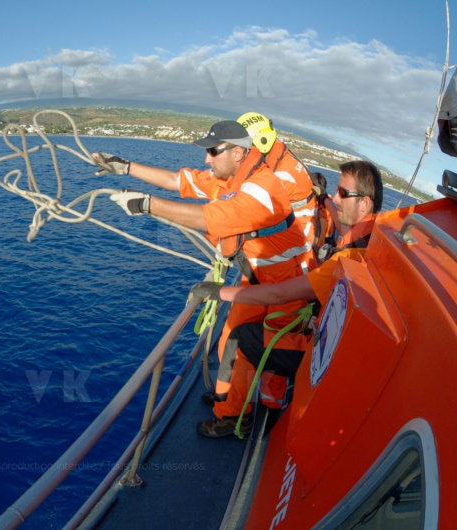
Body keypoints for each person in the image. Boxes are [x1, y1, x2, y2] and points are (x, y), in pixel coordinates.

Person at [93, 120, 315, 437]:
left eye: (212, 151)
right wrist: (125, 166)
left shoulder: (261, 190)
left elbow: (205, 217)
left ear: (238, 152)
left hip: (288, 287)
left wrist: (146, 205)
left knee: (262, 347)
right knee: (230, 340)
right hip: (257, 278)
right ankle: (231, 404)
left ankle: (264, 413)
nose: (207, 160)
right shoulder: (232, 177)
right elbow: (178, 180)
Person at [189, 160, 384, 437]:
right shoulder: (368, 236)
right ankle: (245, 398)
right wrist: (326, 198)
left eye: (343, 192)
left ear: (364, 204)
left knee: (240, 338)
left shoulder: (350, 258)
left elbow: (281, 293)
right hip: (338, 344)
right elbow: (340, 223)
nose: (337, 198)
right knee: (271, 327)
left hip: (321, 353)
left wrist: (218, 293)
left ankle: (234, 418)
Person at [237, 112, 318, 248]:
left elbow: (250, 209)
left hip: (301, 233)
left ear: (261, 143)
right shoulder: (282, 158)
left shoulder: (282, 174)